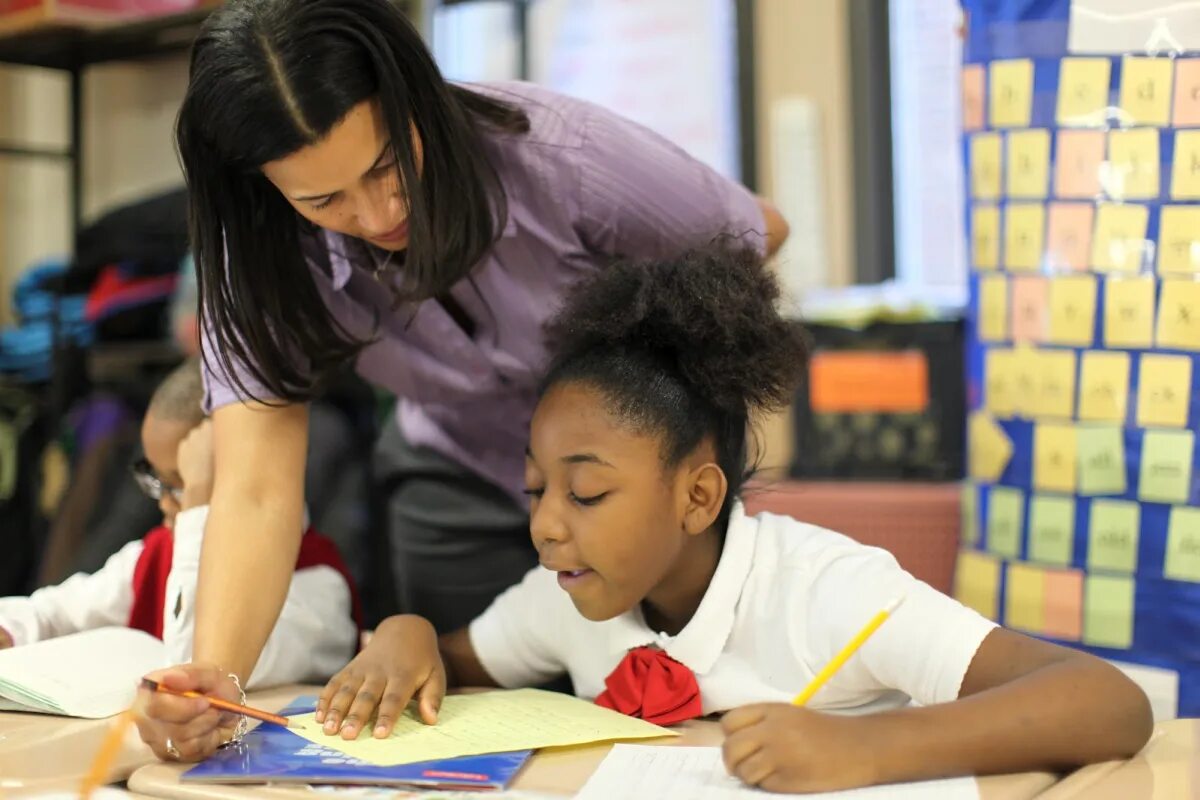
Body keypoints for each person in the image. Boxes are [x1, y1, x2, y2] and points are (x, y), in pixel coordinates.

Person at [141, 0, 788, 760]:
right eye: (323, 201)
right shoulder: (261, 257)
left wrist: (644, 436)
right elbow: (255, 490)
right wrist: (215, 683)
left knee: (662, 718)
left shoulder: (560, 156)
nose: (379, 213)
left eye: (387, 164)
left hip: (622, 487)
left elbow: (752, 236)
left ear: (415, 94)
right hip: (453, 476)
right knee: (459, 723)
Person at [314, 244, 1152, 794]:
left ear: (699, 497)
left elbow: (1109, 702)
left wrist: (863, 749)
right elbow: (454, 660)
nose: (546, 526)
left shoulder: (828, 591)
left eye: (587, 493)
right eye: (536, 491)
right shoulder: (565, 595)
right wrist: (408, 633)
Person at [0, 360, 358, 704]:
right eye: (155, 480)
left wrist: (198, 505)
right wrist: (10, 629)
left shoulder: (319, 587)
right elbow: (54, 612)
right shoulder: (158, 553)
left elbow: (198, 668)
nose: (164, 503)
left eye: (182, 483)